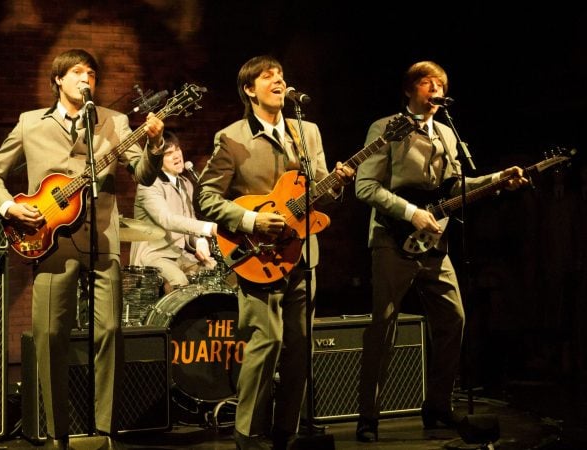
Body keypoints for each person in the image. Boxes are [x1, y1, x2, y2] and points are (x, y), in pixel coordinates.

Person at [0, 48, 165, 449]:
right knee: (49, 334)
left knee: (111, 330)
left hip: (103, 238)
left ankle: (103, 430)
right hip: (48, 239)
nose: (87, 79)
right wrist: (11, 206)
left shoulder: (115, 122)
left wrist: (155, 143)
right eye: (78, 72)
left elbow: (145, 174)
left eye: (92, 74)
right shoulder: (31, 123)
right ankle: (56, 431)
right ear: (58, 80)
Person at [354, 60, 528, 442]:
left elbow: (455, 187)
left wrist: (498, 180)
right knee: (383, 326)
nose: (436, 88)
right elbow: (364, 187)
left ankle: (437, 407)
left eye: (442, 83)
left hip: (435, 243)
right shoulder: (385, 128)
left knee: (454, 319)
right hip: (392, 240)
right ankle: (368, 416)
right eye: (428, 82)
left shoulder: (448, 135)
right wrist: (411, 212)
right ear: (410, 89)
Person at [197, 55, 355, 450]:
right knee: (265, 344)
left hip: (303, 255)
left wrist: (336, 184)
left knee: (300, 349)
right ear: (250, 89)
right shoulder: (231, 137)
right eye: (268, 76)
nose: (278, 80)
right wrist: (250, 221)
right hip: (257, 256)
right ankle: (247, 434)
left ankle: (286, 433)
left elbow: (318, 196)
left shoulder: (308, 132)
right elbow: (206, 197)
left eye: (281, 75)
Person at [129, 130, 219, 294]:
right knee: (178, 281)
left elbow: (188, 226)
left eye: (177, 149)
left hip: (181, 254)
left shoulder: (186, 183)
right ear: (157, 160)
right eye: (169, 153)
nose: (177, 156)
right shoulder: (148, 185)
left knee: (217, 273)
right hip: (155, 255)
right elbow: (167, 219)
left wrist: (199, 241)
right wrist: (208, 228)